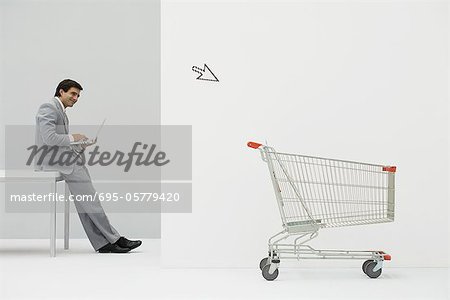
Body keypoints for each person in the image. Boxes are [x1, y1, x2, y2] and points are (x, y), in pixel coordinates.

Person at [35, 79, 141, 253]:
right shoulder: (48, 107)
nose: (76, 98)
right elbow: (49, 138)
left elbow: (57, 143)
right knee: (91, 201)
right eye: (73, 94)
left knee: (85, 203)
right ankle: (115, 239)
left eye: (78, 95)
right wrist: (73, 137)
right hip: (58, 162)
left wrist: (81, 144)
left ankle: (103, 243)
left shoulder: (60, 110)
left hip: (63, 159)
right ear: (61, 92)